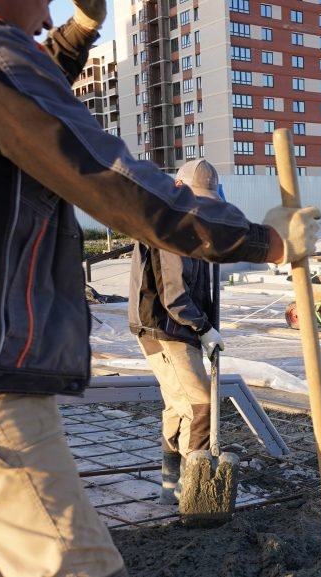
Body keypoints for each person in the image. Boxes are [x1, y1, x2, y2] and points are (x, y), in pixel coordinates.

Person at [0, 1, 320, 575]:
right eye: (46, 2)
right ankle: (176, 480)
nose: (45, 20)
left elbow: (16, 101)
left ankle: (177, 476)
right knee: (74, 563)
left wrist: (79, 33)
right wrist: (268, 243)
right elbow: (111, 180)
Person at [128, 159, 227, 505]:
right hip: (167, 328)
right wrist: (204, 329)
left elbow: (194, 287)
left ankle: (170, 488)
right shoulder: (172, 228)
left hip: (173, 327)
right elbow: (174, 295)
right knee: (201, 404)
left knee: (177, 405)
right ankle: (193, 490)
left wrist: (207, 326)